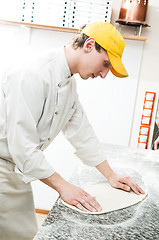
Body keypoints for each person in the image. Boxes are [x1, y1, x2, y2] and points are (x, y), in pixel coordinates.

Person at [0, 21, 145, 240]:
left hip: (16, 172)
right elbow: (23, 147)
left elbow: (81, 131)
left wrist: (111, 174)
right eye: (106, 64)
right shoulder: (32, 73)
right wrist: (64, 187)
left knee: (27, 235)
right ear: (89, 45)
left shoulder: (67, 81)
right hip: (4, 168)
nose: (105, 74)